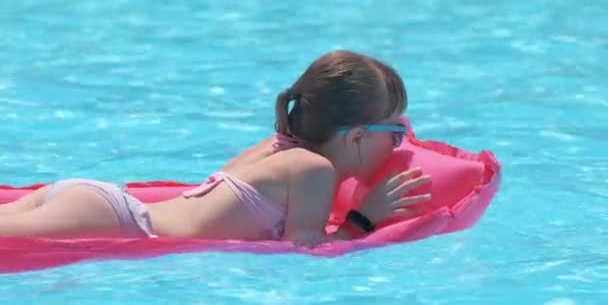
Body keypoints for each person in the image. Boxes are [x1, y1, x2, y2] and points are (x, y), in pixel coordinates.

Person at [0, 50, 431, 247]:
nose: (399, 142)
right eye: (394, 132)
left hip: (100, 202)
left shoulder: (276, 151)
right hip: (118, 222)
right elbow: (308, 250)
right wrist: (364, 218)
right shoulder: (313, 172)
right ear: (356, 137)